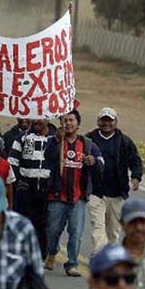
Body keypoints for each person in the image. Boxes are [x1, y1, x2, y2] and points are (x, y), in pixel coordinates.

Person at [45, 110, 104, 275]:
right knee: (53, 230)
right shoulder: (56, 141)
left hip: (78, 197)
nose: (68, 123)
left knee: (76, 232)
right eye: (65, 120)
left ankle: (71, 264)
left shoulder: (88, 144)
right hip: (57, 195)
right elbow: (47, 157)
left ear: (78, 124)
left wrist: (93, 162)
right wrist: (56, 140)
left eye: (71, 120)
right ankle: (52, 251)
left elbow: (100, 162)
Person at [85, 107, 143, 253]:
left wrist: (136, 177)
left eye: (110, 120)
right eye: (103, 120)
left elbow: (135, 160)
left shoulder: (124, 141)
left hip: (117, 193)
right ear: (98, 121)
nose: (106, 124)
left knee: (113, 231)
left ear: (115, 122)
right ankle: (98, 254)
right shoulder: (88, 140)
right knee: (98, 226)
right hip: (95, 192)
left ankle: (109, 255)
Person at [8, 119, 54, 255]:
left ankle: (41, 253)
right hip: (26, 187)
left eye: (40, 117)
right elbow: (12, 161)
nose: (36, 120)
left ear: (48, 118)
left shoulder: (56, 138)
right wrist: (19, 182)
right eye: (34, 116)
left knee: (44, 223)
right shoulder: (23, 138)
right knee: (23, 221)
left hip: (47, 188)